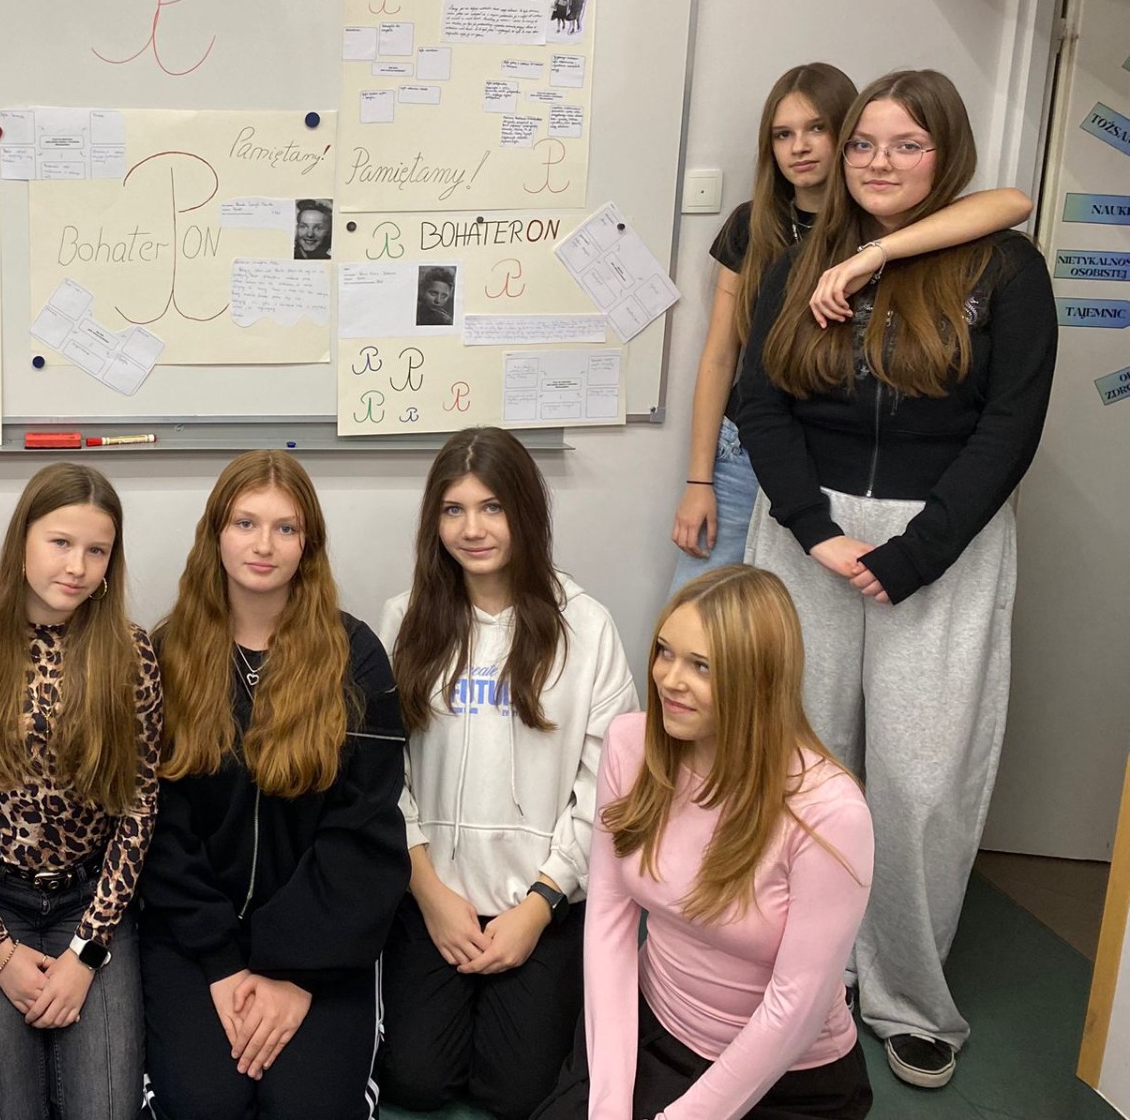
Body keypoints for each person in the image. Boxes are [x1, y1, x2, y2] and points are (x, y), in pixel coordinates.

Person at [738, 69, 1057, 1088]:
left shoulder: (1005, 270)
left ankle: (910, 998)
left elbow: (1010, 426)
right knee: (801, 767)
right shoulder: (804, 262)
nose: (880, 162)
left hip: (943, 543)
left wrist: (917, 553)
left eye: (907, 145)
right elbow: (760, 402)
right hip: (810, 536)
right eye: (865, 144)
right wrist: (814, 529)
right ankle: (806, 977)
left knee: (919, 783)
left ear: (944, 154)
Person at [667, 63, 1031, 592]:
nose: (800, 147)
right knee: (713, 608)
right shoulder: (766, 232)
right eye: (783, 134)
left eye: (817, 129)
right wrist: (702, 478)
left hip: (905, 505)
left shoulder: (961, 246)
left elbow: (1013, 203)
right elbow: (728, 362)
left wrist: (876, 253)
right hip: (766, 454)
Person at [532, 565, 874, 1120]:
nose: (669, 679)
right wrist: (610, 1100)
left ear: (758, 678)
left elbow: (797, 1005)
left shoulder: (830, 811)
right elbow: (610, 919)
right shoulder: (630, 745)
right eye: (665, 653)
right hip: (651, 1031)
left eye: (702, 666)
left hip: (785, 1079)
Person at [375, 428, 636, 1117]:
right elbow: (382, 775)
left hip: (540, 902)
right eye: (453, 509)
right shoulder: (404, 621)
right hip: (433, 895)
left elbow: (610, 786)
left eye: (492, 506)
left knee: (518, 1092)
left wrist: (540, 904)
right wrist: (428, 890)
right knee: (415, 1080)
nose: (473, 529)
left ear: (526, 510)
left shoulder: (587, 627)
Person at [142, 451, 407, 1120]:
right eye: (245, 523)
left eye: (285, 528)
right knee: (202, 1103)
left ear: (307, 544)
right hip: (195, 940)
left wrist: (293, 972)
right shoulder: (165, 654)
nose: (263, 544)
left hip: (326, 944)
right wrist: (223, 963)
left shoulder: (357, 658)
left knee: (307, 1106)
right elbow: (159, 829)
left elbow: (363, 833)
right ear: (215, 533)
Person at [0, 463, 162, 1120]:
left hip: (92, 903)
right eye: (60, 542)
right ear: (22, 541)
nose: (77, 566)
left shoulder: (131, 654)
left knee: (105, 1109)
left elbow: (139, 808)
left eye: (97, 550)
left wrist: (86, 952)